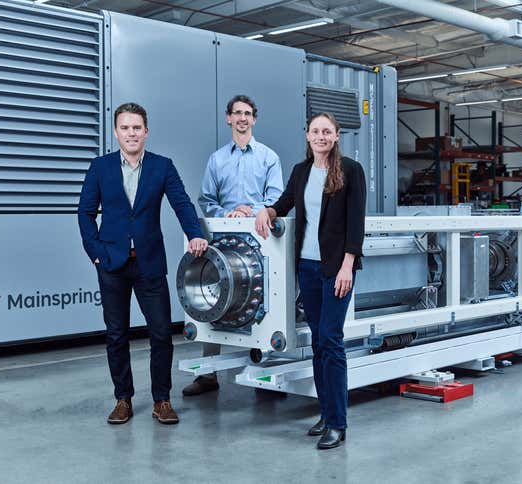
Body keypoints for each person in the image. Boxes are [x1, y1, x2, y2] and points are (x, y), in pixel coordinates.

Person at [78, 102, 208, 425]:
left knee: (162, 333)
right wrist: (96, 253)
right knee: (116, 334)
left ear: (146, 131)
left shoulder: (162, 166)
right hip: (112, 263)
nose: (131, 133)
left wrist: (195, 233)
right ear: (116, 132)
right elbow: (85, 212)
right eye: (125, 127)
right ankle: (123, 398)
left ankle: (162, 400)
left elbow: (182, 203)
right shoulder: (100, 167)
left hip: (149, 262)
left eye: (137, 127)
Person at [255, 112, 366, 450]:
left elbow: (356, 222)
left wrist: (348, 264)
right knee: (317, 341)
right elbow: (285, 203)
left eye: (327, 132)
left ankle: (338, 423)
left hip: (336, 268)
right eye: (315, 131)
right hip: (307, 266)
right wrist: (265, 211)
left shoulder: (350, 170)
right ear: (307, 136)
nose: (320, 136)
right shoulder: (301, 171)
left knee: (331, 340)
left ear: (336, 136)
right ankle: (326, 411)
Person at [183, 95, 283, 396]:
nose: (242, 118)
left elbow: (276, 199)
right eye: (237, 113)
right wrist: (225, 214)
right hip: (224, 241)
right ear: (228, 118)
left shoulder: (269, 158)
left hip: (260, 239)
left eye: (248, 113)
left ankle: (266, 373)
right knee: (215, 302)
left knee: (264, 305)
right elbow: (206, 199)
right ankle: (208, 376)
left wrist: (249, 212)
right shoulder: (217, 159)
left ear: (254, 119)